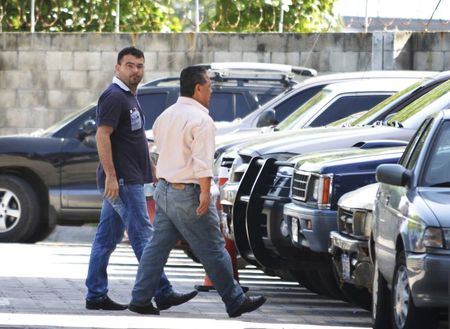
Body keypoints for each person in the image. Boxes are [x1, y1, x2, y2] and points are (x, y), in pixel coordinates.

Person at [128, 65, 266, 317]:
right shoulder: (201, 120)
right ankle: (235, 300)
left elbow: (159, 150)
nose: (212, 92)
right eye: (210, 87)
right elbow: (202, 162)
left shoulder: (165, 116)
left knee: (156, 248)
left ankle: (140, 298)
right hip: (188, 193)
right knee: (213, 248)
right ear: (198, 88)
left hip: (165, 190)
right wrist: (205, 192)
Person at [85, 46, 197, 311]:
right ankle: (161, 291)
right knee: (142, 236)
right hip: (122, 182)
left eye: (140, 66)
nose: (135, 71)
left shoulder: (129, 96)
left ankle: (96, 295)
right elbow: (102, 136)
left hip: (131, 178)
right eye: (130, 65)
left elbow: (133, 139)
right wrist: (111, 176)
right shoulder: (113, 96)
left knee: (106, 238)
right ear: (117, 68)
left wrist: (153, 169)